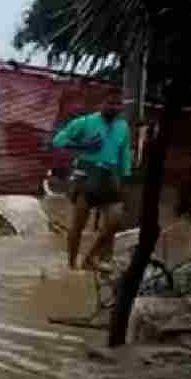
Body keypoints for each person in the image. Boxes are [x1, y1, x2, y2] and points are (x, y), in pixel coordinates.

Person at [52, 94, 132, 271]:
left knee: (115, 220)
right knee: (78, 225)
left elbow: (125, 153)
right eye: (110, 103)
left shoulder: (123, 126)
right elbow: (58, 141)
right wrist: (83, 146)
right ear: (101, 103)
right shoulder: (84, 122)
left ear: (121, 107)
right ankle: (72, 266)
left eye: (117, 105)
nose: (113, 107)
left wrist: (125, 177)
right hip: (86, 174)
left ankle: (90, 258)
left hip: (110, 176)